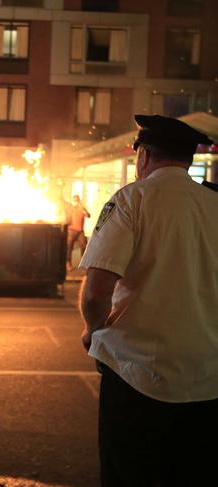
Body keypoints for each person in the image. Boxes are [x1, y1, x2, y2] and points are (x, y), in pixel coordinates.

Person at [78, 114, 218, 486]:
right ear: (188, 159)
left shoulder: (131, 200)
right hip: (207, 381)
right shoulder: (214, 204)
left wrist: (94, 330)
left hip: (137, 379)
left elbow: (96, 293)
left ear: (143, 155)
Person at [66, 194, 90, 271]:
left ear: (78, 201)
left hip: (80, 232)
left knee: (84, 246)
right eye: (74, 200)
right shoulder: (70, 209)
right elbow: (67, 219)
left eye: (76, 200)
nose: (75, 202)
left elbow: (88, 215)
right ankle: (68, 263)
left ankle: (83, 264)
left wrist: (83, 209)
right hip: (71, 231)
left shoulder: (82, 209)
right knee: (69, 247)